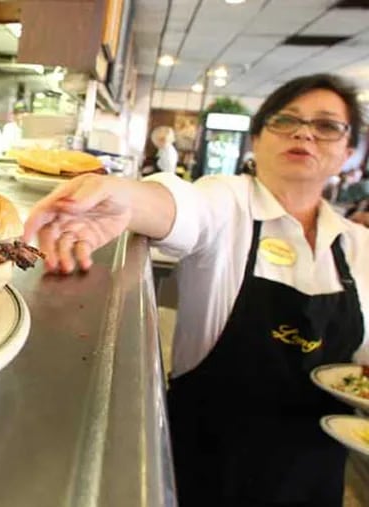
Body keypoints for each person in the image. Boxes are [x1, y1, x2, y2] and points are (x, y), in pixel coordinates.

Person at [24, 73, 369, 506]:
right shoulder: (228, 202)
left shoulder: (359, 246)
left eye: (326, 126)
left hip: (313, 476)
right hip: (208, 469)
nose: (304, 132)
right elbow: (180, 205)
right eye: (286, 120)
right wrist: (122, 197)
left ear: (349, 152)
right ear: (256, 139)